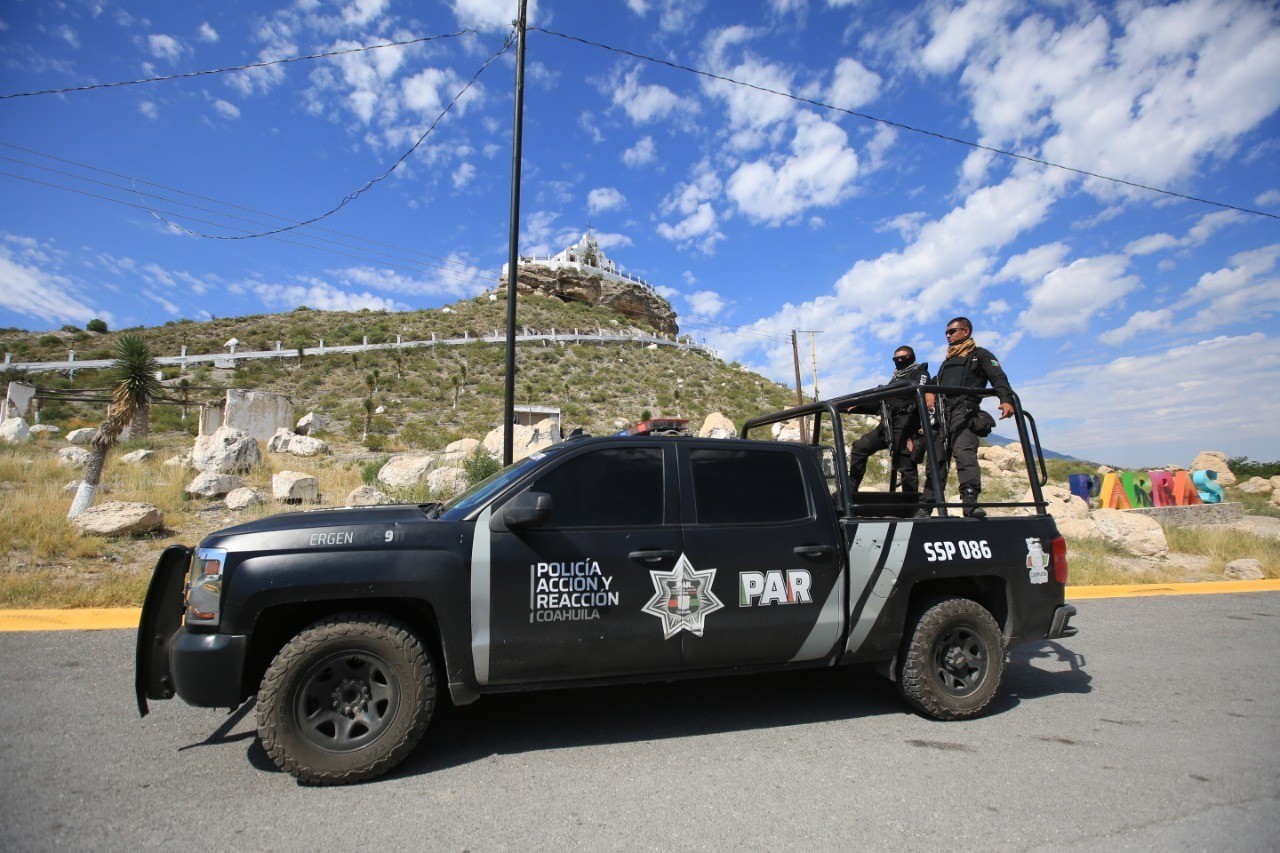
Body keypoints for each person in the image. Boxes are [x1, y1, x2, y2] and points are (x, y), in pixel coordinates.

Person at [915, 317, 1014, 518]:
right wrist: (929, 392)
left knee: (964, 453)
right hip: (943, 414)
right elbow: (937, 381)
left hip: (965, 410)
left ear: (966, 331)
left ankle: (970, 502)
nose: (948, 336)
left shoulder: (981, 355)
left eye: (952, 331)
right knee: (936, 460)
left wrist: (1006, 399)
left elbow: (998, 377)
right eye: (946, 333)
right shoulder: (947, 361)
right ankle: (926, 506)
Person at [847, 346, 929, 494]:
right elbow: (881, 402)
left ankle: (911, 503)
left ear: (911, 358)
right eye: (895, 359)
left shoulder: (920, 373)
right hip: (887, 424)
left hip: (906, 423)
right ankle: (850, 491)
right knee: (860, 447)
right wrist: (859, 403)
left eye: (903, 358)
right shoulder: (895, 379)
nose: (899, 361)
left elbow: (916, 391)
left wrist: (887, 393)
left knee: (905, 462)